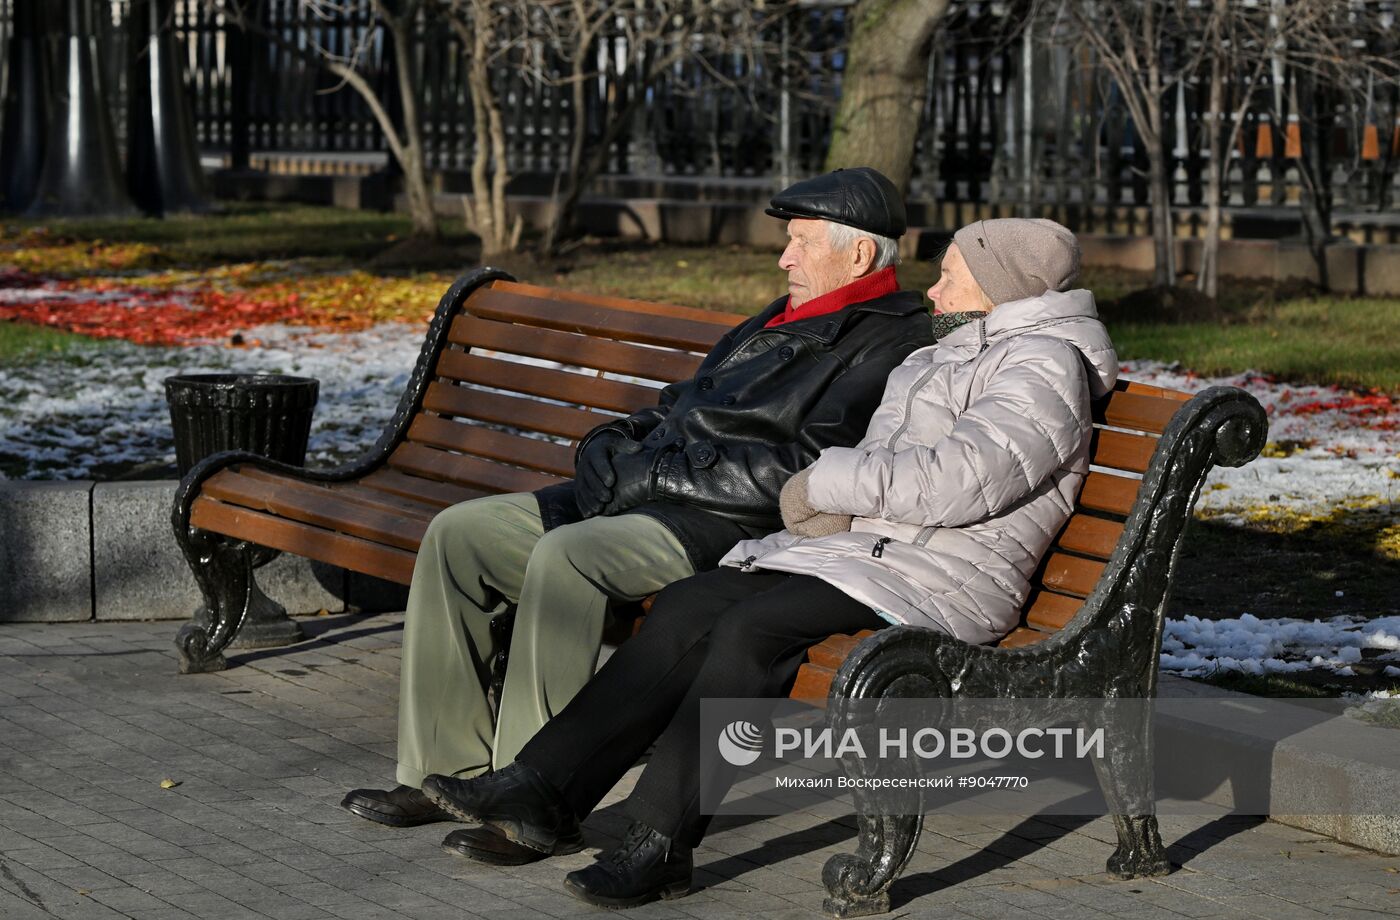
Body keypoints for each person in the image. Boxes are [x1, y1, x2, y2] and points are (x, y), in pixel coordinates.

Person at [417, 217, 1120, 907]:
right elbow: (895, 468)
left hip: (948, 576)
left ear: (1002, 291)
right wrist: (833, 499)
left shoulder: (1041, 364)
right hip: (879, 555)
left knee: (755, 628)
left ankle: (661, 841)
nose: (932, 293)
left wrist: (827, 482)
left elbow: (960, 480)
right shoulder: (947, 354)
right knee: (696, 601)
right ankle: (543, 787)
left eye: (950, 278)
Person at [341, 168, 935, 864]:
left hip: (725, 522)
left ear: (858, 255)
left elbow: (807, 468)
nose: (784, 257)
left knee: (569, 557)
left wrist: (655, 471)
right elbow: (686, 401)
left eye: (800, 242)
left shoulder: (891, 340)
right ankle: (450, 770)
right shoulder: (781, 313)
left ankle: (527, 798)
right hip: (654, 488)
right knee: (460, 536)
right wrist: (614, 443)